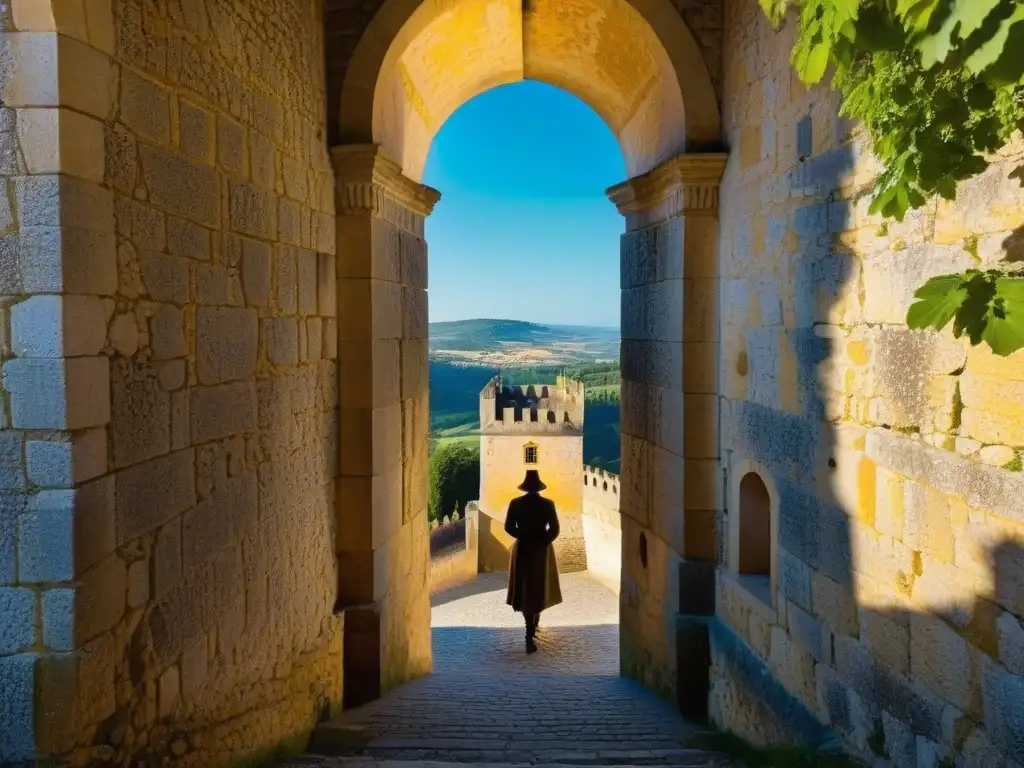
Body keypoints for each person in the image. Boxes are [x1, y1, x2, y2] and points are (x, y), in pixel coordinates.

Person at [504, 469, 563, 654]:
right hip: (541, 552)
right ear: (539, 488)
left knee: (525, 589)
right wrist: (543, 541)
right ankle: (533, 626)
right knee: (538, 587)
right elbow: (554, 529)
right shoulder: (548, 504)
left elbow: (508, 527)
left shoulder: (515, 503)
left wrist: (522, 536)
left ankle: (529, 629)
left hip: (522, 550)